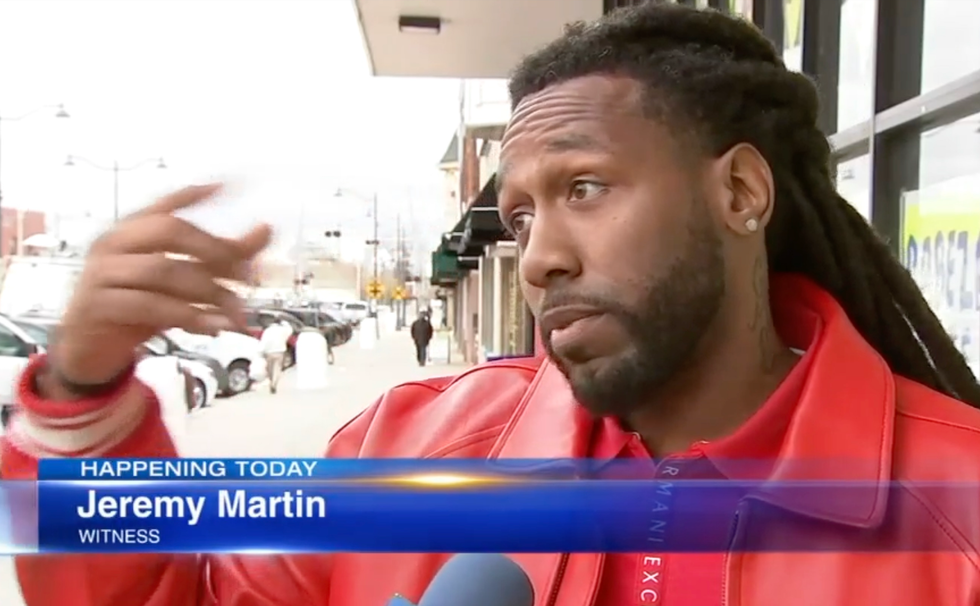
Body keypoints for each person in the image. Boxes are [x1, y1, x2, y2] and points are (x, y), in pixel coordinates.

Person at [3, 5, 980, 605]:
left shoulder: (956, 509)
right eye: (518, 217)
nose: (541, 258)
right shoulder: (405, 452)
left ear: (738, 193)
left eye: (584, 188)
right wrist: (84, 397)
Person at [260, 316, 292, 394]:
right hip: (280, 352)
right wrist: (285, 323)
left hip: (269, 352)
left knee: (270, 370)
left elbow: (264, 342)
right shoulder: (283, 330)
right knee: (277, 369)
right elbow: (290, 330)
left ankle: (271, 381)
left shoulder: (268, 331)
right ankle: (274, 384)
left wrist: (261, 351)